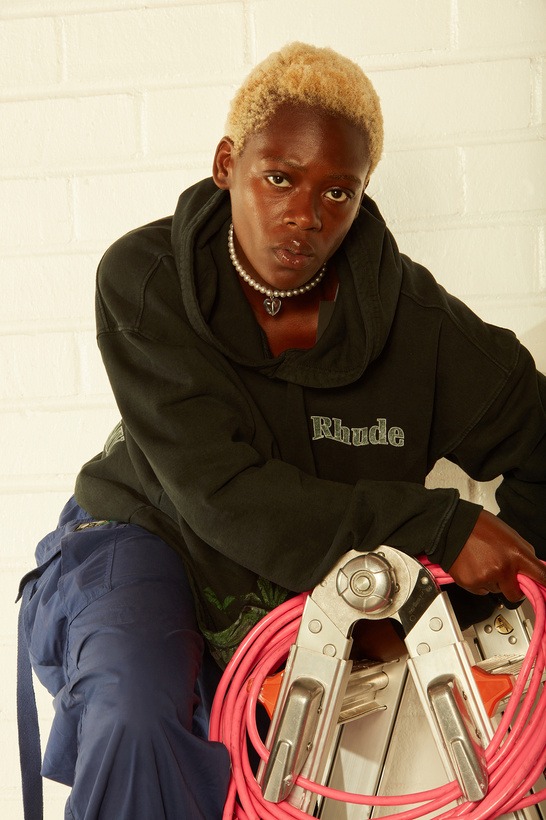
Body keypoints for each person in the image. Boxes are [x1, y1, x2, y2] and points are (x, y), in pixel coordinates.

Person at [18, 42, 546, 820]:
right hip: (146, 538)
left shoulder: (419, 327)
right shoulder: (145, 279)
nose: (306, 215)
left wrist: (450, 602)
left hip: (303, 591)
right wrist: (442, 521)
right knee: (134, 709)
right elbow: (221, 493)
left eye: (339, 192)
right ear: (227, 162)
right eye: (279, 179)